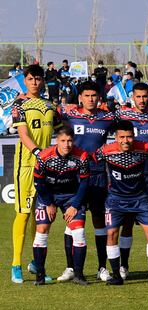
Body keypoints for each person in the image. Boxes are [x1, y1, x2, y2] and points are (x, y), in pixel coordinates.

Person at [94, 120, 148, 286]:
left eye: (129, 137)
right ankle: (117, 275)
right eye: (122, 137)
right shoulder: (106, 151)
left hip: (140, 198)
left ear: (134, 136)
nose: (126, 140)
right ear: (116, 137)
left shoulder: (144, 148)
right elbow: (90, 161)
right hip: (115, 199)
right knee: (111, 234)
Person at [60, 81, 117, 282]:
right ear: (80, 97)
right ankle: (70, 268)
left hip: (99, 175)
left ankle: (102, 268)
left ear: (99, 97)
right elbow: (50, 111)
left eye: (94, 95)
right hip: (74, 176)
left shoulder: (107, 117)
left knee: (99, 221)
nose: (91, 99)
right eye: (87, 95)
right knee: (72, 221)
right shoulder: (70, 114)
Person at [11, 64, 62, 284]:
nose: (34, 83)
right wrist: (38, 152)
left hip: (45, 166)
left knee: (39, 216)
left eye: (38, 79)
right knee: (23, 213)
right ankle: (16, 265)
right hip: (26, 166)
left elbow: (62, 131)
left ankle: (36, 263)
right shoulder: (20, 104)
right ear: (25, 80)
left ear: (43, 81)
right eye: (30, 79)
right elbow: (22, 133)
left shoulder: (50, 106)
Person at [115, 82, 148, 281]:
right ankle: (124, 266)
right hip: (129, 175)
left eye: (145, 96)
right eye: (138, 97)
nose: (142, 100)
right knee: (127, 222)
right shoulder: (123, 115)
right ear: (132, 97)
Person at [32, 126, 90, 285]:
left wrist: (75, 205)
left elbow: (85, 182)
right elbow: (38, 182)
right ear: (56, 141)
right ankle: (40, 276)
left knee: (79, 231)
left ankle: (78, 274)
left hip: (71, 196)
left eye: (70, 141)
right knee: (42, 231)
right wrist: (49, 203)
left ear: (74, 141)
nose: (67, 145)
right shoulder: (44, 157)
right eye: (63, 141)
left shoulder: (82, 156)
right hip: (47, 196)